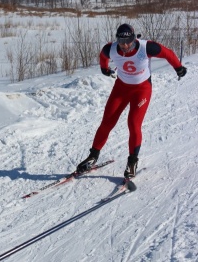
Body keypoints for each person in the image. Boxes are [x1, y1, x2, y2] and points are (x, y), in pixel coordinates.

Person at [76, 23, 187, 178]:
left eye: (128, 42)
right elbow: (103, 56)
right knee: (107, 122)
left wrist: (178, 67)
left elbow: (168, 53)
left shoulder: (146, 47)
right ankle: (93, 156)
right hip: (121, 88)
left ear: (134, 39)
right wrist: (104, 68)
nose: (125, 46)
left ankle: (132, 162)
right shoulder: (111, 49)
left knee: (133, 123)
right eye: (122, 43)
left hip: (141, 89)